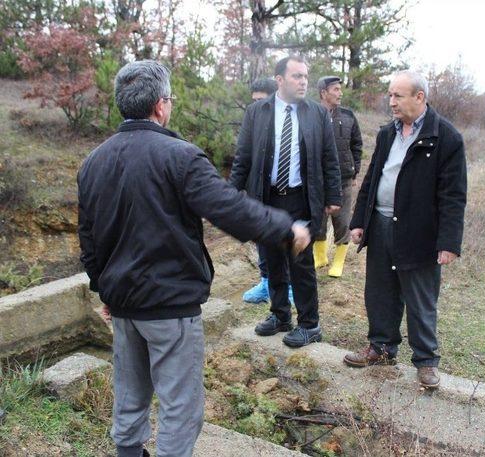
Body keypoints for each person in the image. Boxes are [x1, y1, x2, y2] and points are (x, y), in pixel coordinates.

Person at [77, 60, 310, 457]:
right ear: (161, 106)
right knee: (179, 408)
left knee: (130, 395)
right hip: (170, 307)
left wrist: (105, 290)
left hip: (125, 305)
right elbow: (228, 207)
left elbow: (89, 239)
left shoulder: (93, 162)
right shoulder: (179, 156)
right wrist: (285, 229)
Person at [344, 70, 467, 389]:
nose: (391, 102)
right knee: (380, 291)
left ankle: (426, 361)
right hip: (382, 225)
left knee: (420, 297)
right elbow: (372, 178)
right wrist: (359, 220)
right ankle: (381, 347)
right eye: (389, 95)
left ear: (419, 97)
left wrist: (449, 242)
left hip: (419, 233)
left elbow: (454, 195)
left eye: (398, 96)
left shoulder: (446, 138)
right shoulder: (387, 133)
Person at [229, 55, 342, 348]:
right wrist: (230, 194)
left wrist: (333, 196)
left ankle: (310, 324)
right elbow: (244, 156)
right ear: (279, 80)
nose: (303, 81)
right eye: (296, 76)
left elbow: (330, 158)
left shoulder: (317, 114)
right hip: (266, 199)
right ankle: (280, 316)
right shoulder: (257, 112)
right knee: (272, 259)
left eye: (305, 76)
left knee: (300, 262)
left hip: (301, 199)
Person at [242, 77, 294, 305]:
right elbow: (243, 157)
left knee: (286, 239)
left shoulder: (292, 123)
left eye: (260, 101)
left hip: (287, 193)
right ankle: (265, 282)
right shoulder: (253, 119)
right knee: (262, 238)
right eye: (252, 101)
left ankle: (290, 285)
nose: (255, 106)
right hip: (259, 192)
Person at [313, 76, 362, 278]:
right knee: (318, 220)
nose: (340, 93)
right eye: (335, 89)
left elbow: (357, 146)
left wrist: (355, 170)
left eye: (340, 89)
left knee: (342, 220)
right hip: (317, 180)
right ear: (324, 93)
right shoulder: (311, 115)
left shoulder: (349, 116)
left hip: (343, 179)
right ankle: (320, 257)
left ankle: (339, 262)